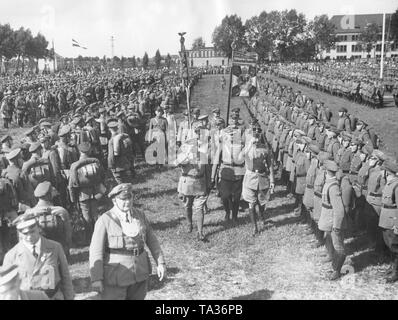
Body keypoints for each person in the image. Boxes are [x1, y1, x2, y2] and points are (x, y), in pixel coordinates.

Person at [89, 183, 166, 300]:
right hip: (116, 277)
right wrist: (96, 278)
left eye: (129, 198)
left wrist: (160, 263)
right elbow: (96, 251)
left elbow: (152, 240)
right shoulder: (105, 220)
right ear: (114, 201)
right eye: (123, 199)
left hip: (140, 273)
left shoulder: (140, 215)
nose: (127, 202)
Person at [3, 212, 74, 300]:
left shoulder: (55, 247)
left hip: (54, 297)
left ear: (39, 228)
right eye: (25, 234)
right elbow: (8, 289)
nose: (29, 237)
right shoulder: (11, 256)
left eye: (32, 232)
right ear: (19, 234)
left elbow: (66, 277)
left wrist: (69, 298)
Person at [69, 142, 106, 244]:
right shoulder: (95, 161)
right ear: (89, 151)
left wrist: (73, 200)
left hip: (82, 195)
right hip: (96, 192)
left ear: (79, 151)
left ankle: (89, 237)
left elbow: (71, 185)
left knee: (86, 217)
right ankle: (99, 235)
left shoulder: (75, 165)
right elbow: (102, 175)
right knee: (95, 214)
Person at [241, 125, 275, 235]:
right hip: (250, 177)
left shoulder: (265, 149)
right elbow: (240, 156)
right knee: (251, 202)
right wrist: (250, 144)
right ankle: (254, 227)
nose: (256, 135)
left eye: (258, 133)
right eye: (254, 133)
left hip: (262, 177)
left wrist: (272, 181)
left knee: (262, 201)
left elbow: (270, 165)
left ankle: (261, 215)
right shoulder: (247, 147)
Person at [318, 160, 347, 281]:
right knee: (329, 240)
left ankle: (337, 270)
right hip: (327, 218)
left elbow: (339, 210)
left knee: (338, 246)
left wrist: (337, 225)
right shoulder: (329, 183)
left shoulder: (333, 187)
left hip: (333, 221)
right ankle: (331, 258)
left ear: (326, 171)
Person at [30, 181, 73, 261]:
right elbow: (68, 234)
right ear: (49, 195)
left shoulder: (30, 213)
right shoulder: (61, 211)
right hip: (60, 252)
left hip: (40, 254)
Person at [378, 160, 398, 283]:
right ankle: (393, 267)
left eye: (383, 171)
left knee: (395, 247)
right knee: (390, 245)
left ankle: (395, 272)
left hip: (392, 220)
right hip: (385, 219)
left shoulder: (396, 185)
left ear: (387, 172)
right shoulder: (389, 183)